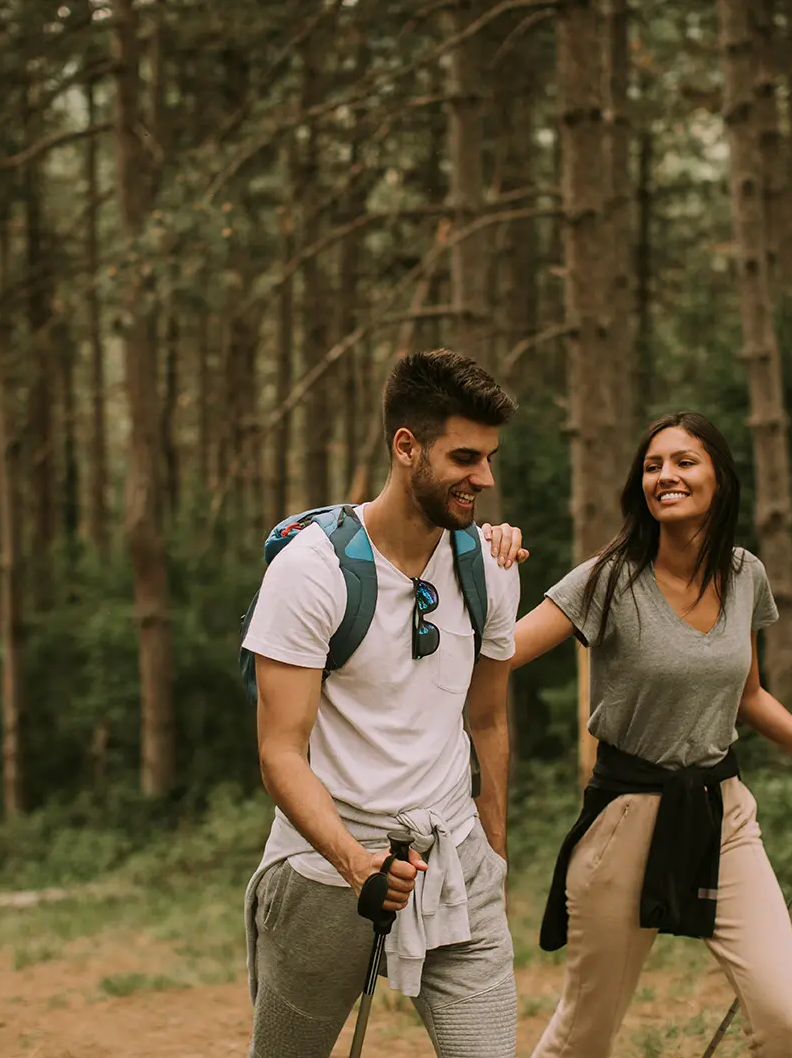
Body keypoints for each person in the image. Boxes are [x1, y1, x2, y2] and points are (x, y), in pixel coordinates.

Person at [488, 411, 792, 1058]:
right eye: (652, 465)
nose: (665, 476)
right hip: (624, 816)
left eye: (683, 461)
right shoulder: (608, 577)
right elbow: (501, 650)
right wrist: (483, 573)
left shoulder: (744, 576)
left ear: (718, 479)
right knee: (583, 1034)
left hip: (721, 813)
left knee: (786, 1016)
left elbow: (749, 693)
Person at [240, 349, 530, 1058]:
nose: (483, 479)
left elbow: (487, 717)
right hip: (326, 872)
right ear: (406, 446)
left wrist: (490, 845)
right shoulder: (311, 571)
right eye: (465, 456)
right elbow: (280, 750)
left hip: (455, 863)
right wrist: (353, 862)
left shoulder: (488, 569)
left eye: (489, 458)